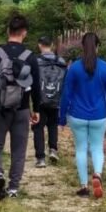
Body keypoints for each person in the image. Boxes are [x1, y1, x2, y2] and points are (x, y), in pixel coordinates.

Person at [0, 15, 41, 201]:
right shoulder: (30, 57)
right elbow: (36, 86)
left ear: (8, 32)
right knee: (19, 149)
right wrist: (35, 109)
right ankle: (13, 188)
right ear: (25, 33)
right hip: (21, 109)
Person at [59, 32, 106, 199]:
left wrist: (61, 117)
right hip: (99, 116)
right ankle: (98, 174)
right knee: (97, 148)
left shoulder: (74, 69)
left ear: (82, 47)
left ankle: (84, 186)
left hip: (77, 115)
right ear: (98, 47)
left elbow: (66, 94)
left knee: (81, 149)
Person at [32, 35, 66, 168]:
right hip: (56, 98)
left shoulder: (35, 61)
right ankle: (53, 149)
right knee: (52, 125)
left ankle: (40, 158)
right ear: (52, 45)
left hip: (39, 99)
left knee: (38, 127)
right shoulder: (61, 61)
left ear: (39, 45)